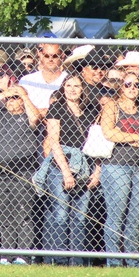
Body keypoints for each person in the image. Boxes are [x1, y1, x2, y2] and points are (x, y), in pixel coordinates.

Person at [36, 74, 101, 265]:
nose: (72, 89)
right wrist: (65, 171)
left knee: (80, 218)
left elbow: (97, 142)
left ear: (83, 89)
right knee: (61, 215)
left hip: (85, 167)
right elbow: (54, 141)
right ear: (63, 88)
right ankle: (60, 260)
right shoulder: (57, 108)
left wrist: (96, 171)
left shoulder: (91, 110)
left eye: (77, 86)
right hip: (61, 166)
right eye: (69, 85)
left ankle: (77, 261)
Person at [0, 82, 42, 264]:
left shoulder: (28, 114)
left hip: (23, 173)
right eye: (10, 98)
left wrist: (23, 95)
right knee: (5, 215)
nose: (11, 101)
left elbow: (35, 118)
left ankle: (23, 255)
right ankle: (7, 254)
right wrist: (3, 94)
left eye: (15, 98)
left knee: (23, 215)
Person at [100, 72, 139, 267]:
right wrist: (135, 138)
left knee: (135, 216)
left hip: (138, 167)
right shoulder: (112, 106)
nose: (132, 88)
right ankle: (114, 262)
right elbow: (108, 132)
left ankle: (133, 262)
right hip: (116, 165)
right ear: (121, 87)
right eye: (128, 84)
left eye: (136, 85)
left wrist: (138, 139)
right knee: (117, 214)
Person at [18, 43, 67, 115]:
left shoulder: (69, 80)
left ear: (62, 56)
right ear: (40, 56)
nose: (50, 59)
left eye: (55, 56)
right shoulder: (27, 80)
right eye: (46, 56)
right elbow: (19, 108)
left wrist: (35, 112)